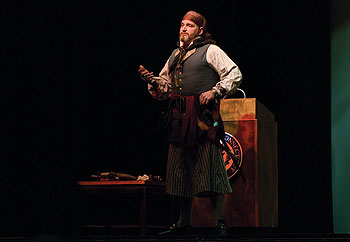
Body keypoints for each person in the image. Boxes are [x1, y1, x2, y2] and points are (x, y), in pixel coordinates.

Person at [138, 10, 242, 234]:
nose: (184, 28)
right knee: (178, 171)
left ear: (200, 31)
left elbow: (234, 73)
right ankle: (183, 222)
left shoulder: (210, 50)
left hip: (203, 121)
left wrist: (215, 91)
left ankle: (220, 222)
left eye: (190, 26)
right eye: (182, 24)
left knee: (210, 167)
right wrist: (154, 82)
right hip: (178, 120)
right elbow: (164, 88)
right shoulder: (175, 55)